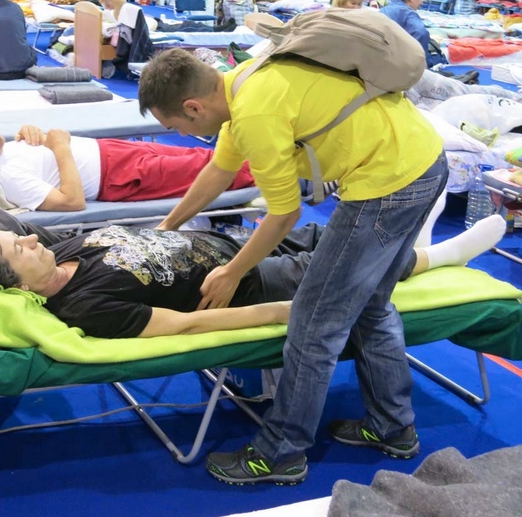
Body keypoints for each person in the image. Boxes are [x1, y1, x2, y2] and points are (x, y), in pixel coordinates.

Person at [137, 48, 449, 484]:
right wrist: (170, 223)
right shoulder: (241, 83)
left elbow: (284, 217)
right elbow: (219, 171)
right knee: (371, 305)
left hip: (388, 181)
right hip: (423, 162)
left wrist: (232, 271)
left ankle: (280, 453)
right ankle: (392, 426)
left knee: (313, 323)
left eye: (177, 128)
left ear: (193, 107)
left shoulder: (254, 114)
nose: (184, 135)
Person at [0, 195, 505, 341]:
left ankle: (416, 240)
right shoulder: (85, 306)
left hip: (229, 244)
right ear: (10, 282)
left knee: (330, 229)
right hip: (253, 283)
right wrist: (284, 310)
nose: (26, 239)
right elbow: (187, 325)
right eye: (17, 249)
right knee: (341, 260)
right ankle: (442, 254)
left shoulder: (59, 253)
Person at [0, 114, 255, 212]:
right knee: (221, 171)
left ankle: (272, 154)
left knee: (206, 157)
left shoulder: (5, 151)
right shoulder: (5, 178)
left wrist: (34, 133)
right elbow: (73, 202)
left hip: (113, 151)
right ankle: (288, 171)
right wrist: (61, 147)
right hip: (119, 176)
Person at [379, 0, 438, 68]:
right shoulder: (408, 13)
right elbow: (421, 33)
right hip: (401, 67)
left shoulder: (383, 10)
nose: (422, 2)